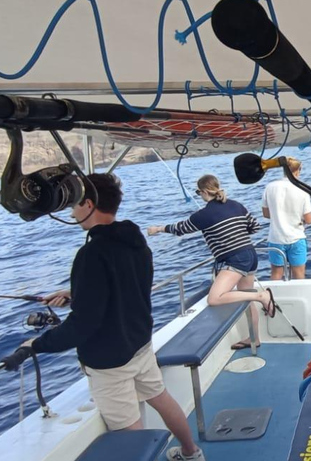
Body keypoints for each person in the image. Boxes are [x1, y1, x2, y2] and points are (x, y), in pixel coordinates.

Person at [22, 173, 205, 461]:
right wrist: (76, 293)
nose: (72, 211)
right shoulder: (134, 240)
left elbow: (82, 325)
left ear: (89, 204)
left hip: (110, 361)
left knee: (128, 433)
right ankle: (191, 452)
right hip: (140, 343)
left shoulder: (91, 254)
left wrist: (36, 344)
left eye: (75, 204)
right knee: (161, 398)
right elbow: (124, 285)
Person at [147, 175, 274, 351]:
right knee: (245, 296)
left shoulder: (203, 215)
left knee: (215, 298)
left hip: (235, 258)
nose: (200, 195)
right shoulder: (236, 205)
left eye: (199, 193)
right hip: (250, 255)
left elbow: (180, 229)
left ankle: (262, 296)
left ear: (205, 191)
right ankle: (255, 338)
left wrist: (158, 229)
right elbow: (254, 226)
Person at [261, 158, 311, 280]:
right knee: (299, 274)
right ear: (298, 170)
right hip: (296, 238)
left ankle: (271, 298)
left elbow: (266, 214)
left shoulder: (269, 187)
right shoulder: (302, 189)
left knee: (276, 274)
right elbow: (309, 219)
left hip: (276, 238)